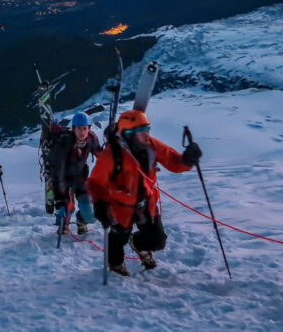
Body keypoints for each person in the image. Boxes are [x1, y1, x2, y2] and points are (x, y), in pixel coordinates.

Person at [86, 109, 202, 275]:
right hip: (120, 204)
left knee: (158, 241)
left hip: (145, 202)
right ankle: (116, 264)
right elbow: (95, 182)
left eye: (147, 130)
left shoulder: (151, 146)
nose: (146, 134)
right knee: (119, 236)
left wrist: (187, 159)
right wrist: (100, 205)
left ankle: (138, 244)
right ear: (128, 133)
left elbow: (173, 161)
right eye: (142, 131)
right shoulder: (111, 155)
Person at [50, 112, 101, 235]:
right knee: (64, 214)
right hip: (63, 180)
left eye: (85, 128)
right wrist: (61, 200)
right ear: (73, 129)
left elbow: (102, 156)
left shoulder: (91, 139)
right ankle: (63, 222)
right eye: (79, 128)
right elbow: (58, 172)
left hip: (80, 178)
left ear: (89, 128)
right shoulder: (64, 142)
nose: (82, 132)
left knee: (90, 216)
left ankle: (81, 221)